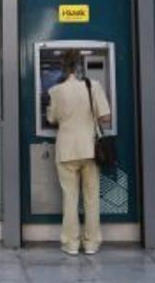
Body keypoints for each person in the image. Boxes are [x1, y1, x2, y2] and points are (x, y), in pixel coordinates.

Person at [46, 49, 112, 256]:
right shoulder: (94, 86)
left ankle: (71, 244)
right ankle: (91, 244)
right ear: (81, 65)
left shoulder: (56, 91)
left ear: (63, 67)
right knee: (92, 199)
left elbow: (51, 119)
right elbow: (106, 117)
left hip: (66, 150)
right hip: (90, 149)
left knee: (70, 199)